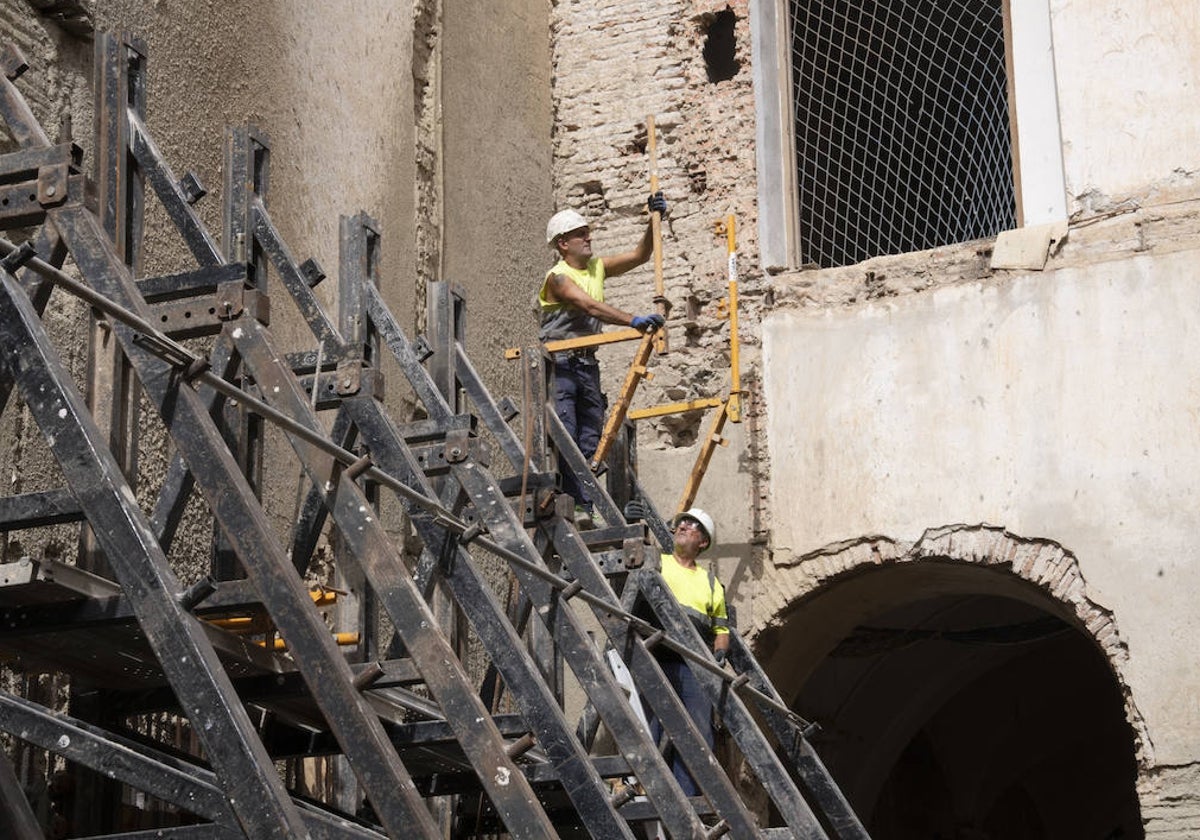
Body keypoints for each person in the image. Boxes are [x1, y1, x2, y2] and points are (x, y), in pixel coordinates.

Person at [539, 194, 667, 521]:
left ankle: (583, 503)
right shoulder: (558, 278)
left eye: (588, 231)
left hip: (585, 363)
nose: (589, 237)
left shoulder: (597, 267)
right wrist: (632, 320)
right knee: (565, 429)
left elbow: (641, 255)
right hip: (561, 363)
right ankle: (570, 499)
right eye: (581, 233)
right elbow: (591, 307)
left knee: (591, 436)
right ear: (563, 243)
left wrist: (653, 222)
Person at [649, 507, 730, 796]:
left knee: (697, 732)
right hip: (654, 655)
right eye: (683, 521)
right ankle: (651, 790)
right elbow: (626, 569)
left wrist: (719, 653)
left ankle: (687, 796)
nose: (684, 525)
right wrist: (633, 521)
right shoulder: (657, 561)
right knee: (651, 726)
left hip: (693, 665)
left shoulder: (710, 583)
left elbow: (721, 629)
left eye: (693, 525)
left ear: (703, 542)